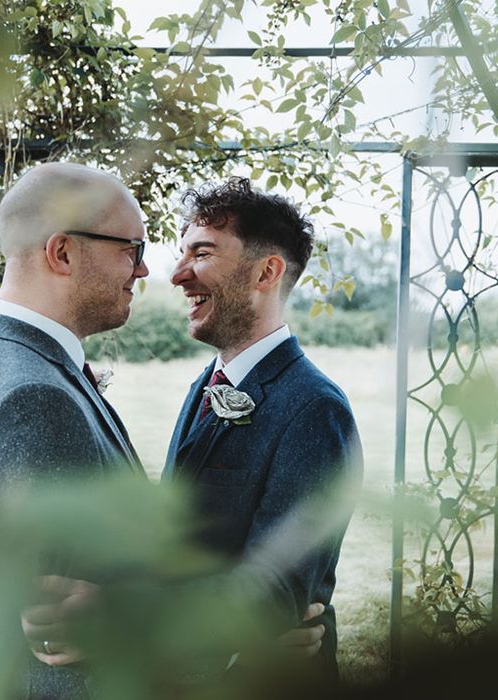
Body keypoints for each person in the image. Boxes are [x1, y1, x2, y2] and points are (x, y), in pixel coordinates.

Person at [0, 162, 148, 699]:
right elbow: (68, 643)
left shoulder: (6, 356)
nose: (143, 271)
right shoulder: (34, 399)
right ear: (62, 253)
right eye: (132, 249)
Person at [162, 176, 363, 675]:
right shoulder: (206, 384)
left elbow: (276, 594)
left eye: (201, 253)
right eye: (181, 253)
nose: (177, 274)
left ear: (265, 272)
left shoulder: (315, 409)